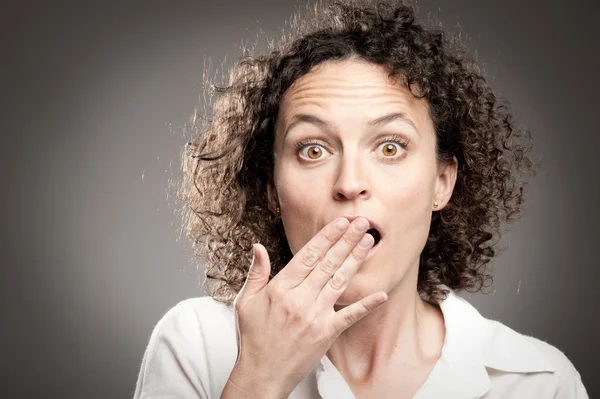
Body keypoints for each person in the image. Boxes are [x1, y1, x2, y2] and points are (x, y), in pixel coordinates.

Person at [133, 0, 589, 398]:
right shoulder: (196, 345)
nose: (350, 183)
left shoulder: (540, 383)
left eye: (390, 147)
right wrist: (259, 379)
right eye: (313, 149)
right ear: (272, 190)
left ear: (442, 183)